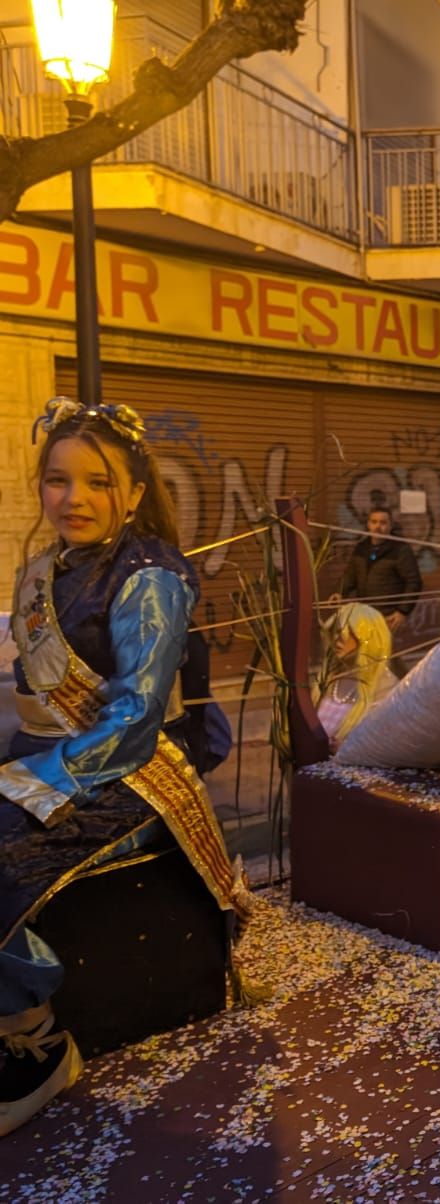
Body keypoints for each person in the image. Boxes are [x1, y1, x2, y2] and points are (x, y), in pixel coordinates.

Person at [0, 399, 248, 1136]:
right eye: (58, 481)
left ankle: (36, 1038)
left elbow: (136, 721)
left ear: (135, 493)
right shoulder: (49, 568)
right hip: (43, 760)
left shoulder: (150, 577)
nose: (73, 499)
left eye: (98, 483)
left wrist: (38, 780)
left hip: (123, 781)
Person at [315, 603, 399, 751]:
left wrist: (351, 748)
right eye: (334, 631)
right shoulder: (327, 679)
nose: (337, 638)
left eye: (345, 633)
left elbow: (387, 741)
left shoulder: (385, 686)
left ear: (368, 638)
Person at [334, 506, 422, 634]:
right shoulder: (361, 549)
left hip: (388, 616)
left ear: (390, 526)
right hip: (363, 613)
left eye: (383, 523)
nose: (378, 526)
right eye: (374, 522)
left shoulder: (400, 550)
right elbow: (350, 575)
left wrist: (402, 611)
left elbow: (413, 582)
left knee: (385, 652)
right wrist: (340, 593)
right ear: (368, 524)